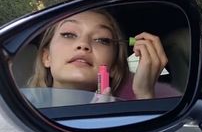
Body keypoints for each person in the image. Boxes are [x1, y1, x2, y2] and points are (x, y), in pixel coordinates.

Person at [28, 9, 168, 101]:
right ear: (46, 57)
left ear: (114, 67)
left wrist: (144, 94)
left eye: (102, 39)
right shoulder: (23, 115)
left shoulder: (124, 119)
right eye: (69, 34)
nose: (83, 44)